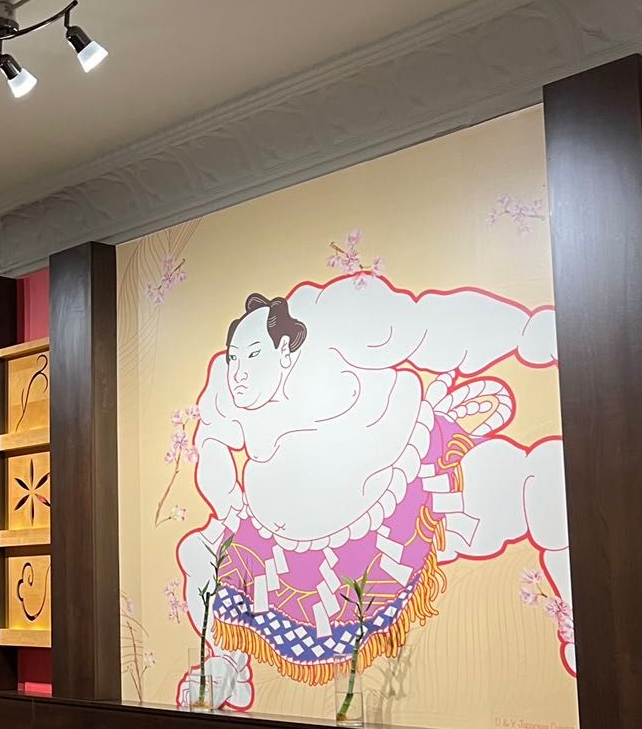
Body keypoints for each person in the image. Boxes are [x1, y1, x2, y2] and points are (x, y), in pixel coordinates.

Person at [177, 277, 572, 685]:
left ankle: (580, 624)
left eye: (252, 355)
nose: (239, 373)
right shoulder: (227, 387)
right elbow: (210, 439)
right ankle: (225, 666)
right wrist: (226, 498)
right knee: (199, 554)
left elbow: (427, 326)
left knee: (537, 479)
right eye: (233, 358)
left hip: (408, 487)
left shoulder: (334, 317)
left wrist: (525, 333)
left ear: (282, 349)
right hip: (282, 546)